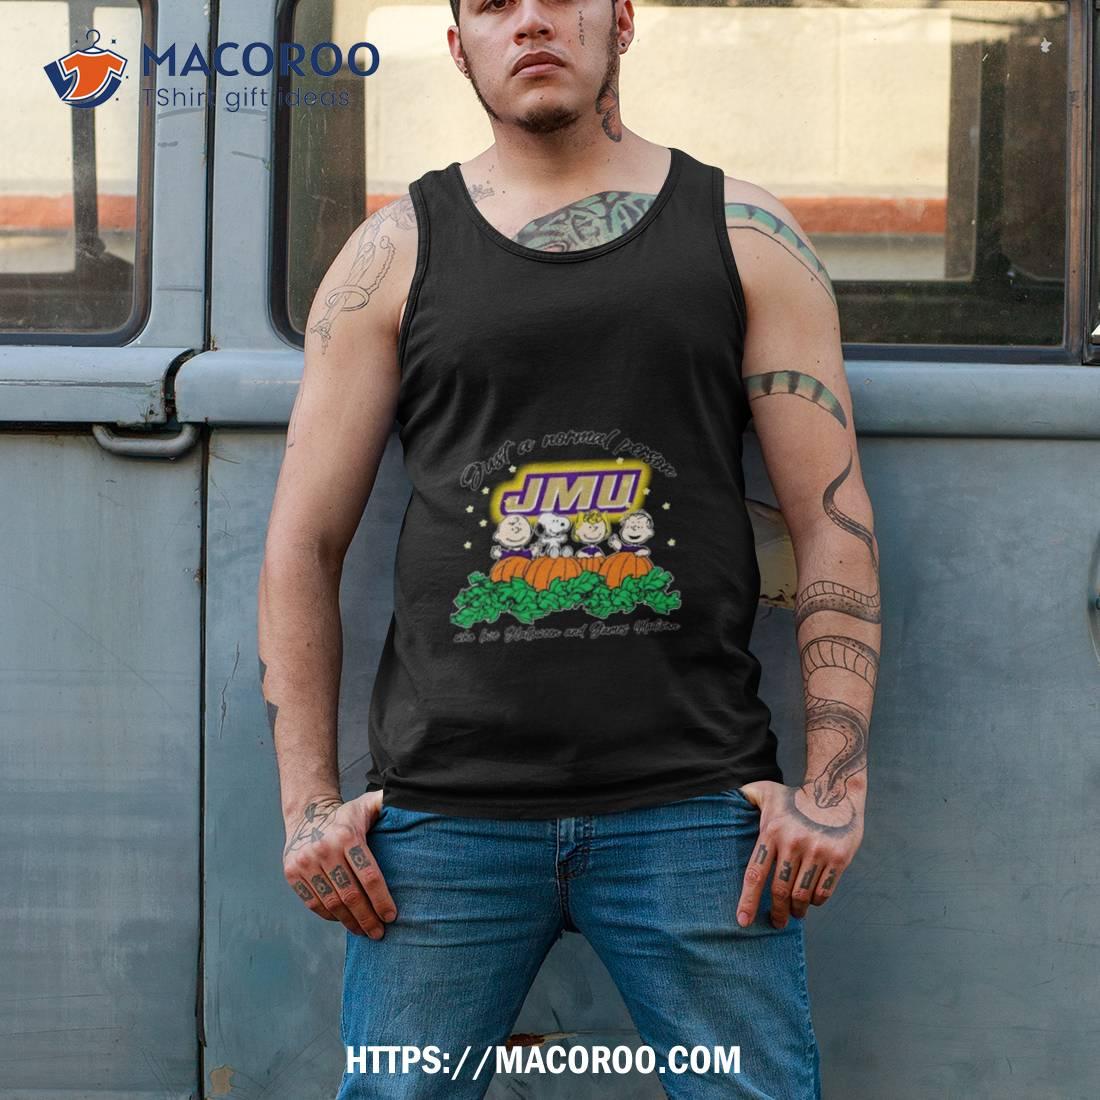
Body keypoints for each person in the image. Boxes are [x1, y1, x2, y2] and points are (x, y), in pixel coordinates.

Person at [256, 0, 881, 1095]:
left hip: (693, 802)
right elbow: (302, 543)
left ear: (620, 19)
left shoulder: (745, 234)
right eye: (492, 5)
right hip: (444, 815)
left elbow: (830, 516)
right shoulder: (392, 253)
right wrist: (307, 805)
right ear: (459, 45)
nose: (530, 21)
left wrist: (834, 786)